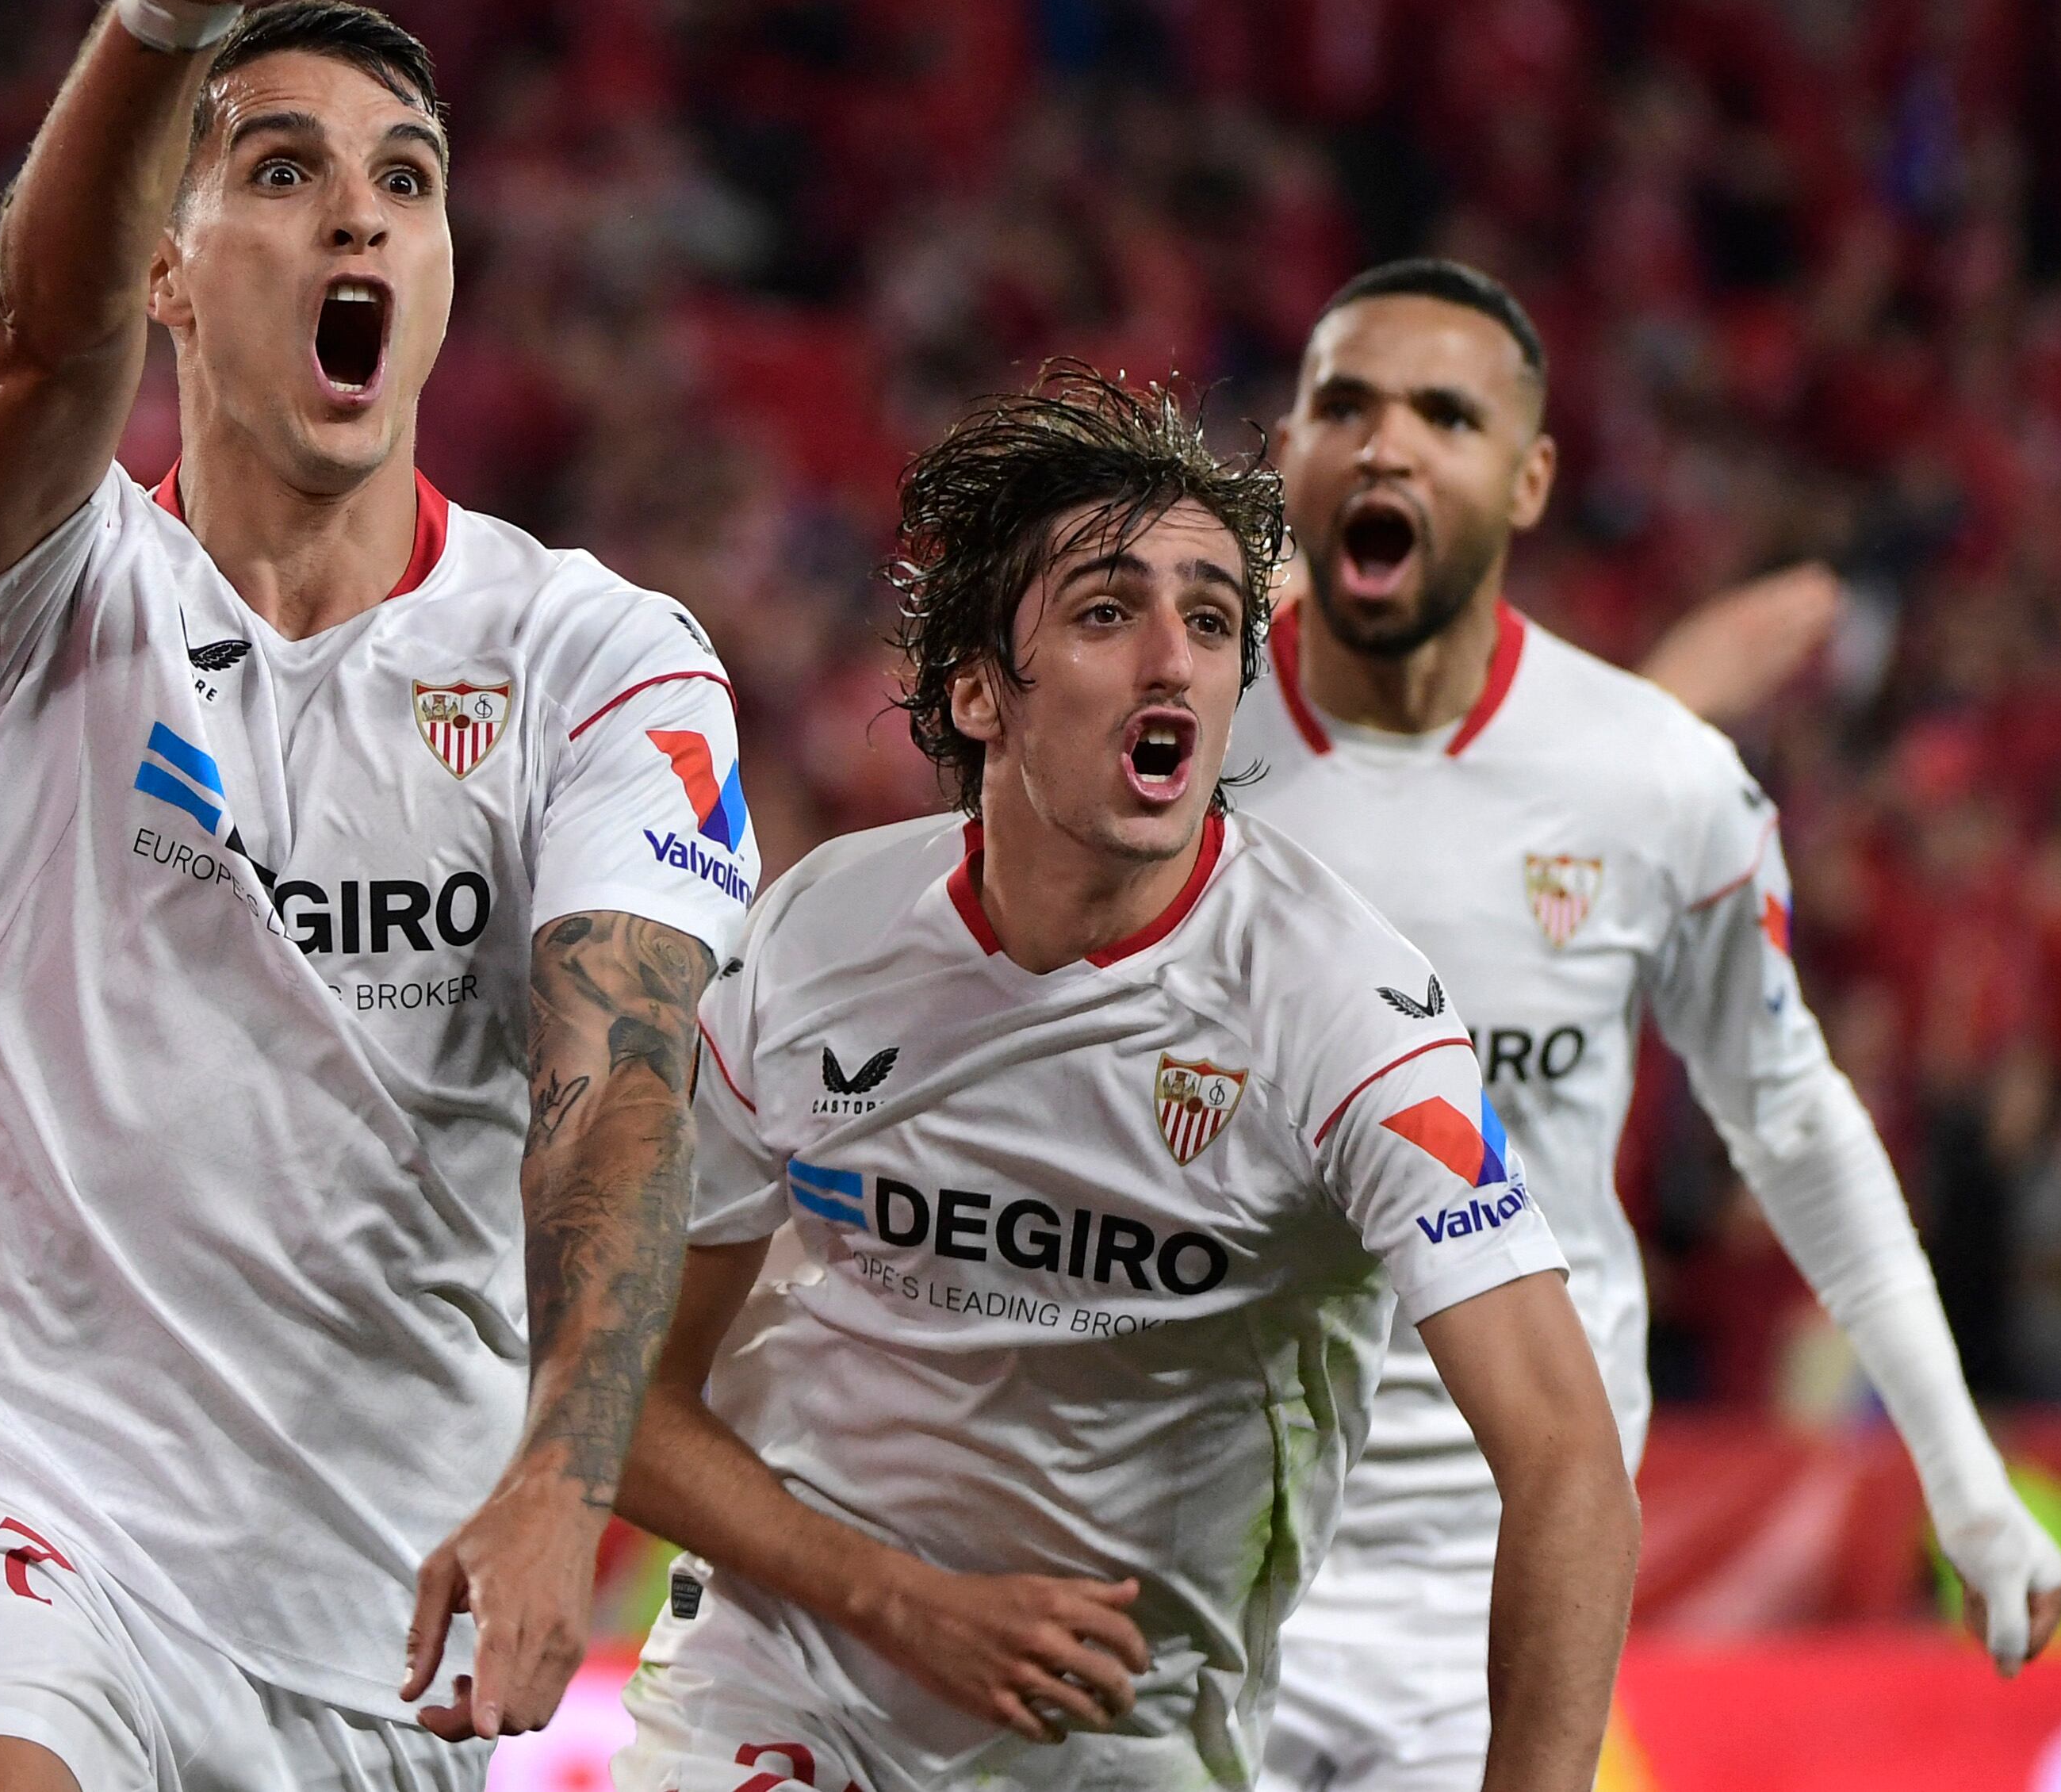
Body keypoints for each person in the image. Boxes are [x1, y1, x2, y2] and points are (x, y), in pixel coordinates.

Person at [0, 0, 758, 1792]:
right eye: (285, 170)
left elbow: (618, 1089)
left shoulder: (601, 661)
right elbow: (32, 348)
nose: (360, 216)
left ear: (432, 285)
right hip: (6, 1467)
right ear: (172, 262)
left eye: (404, 184)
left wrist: (563, 1476)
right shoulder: (47, 586)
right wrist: (161, 25)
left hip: (365, 1593)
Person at [611, 373, 1639, 1792]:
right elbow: (618, 1391)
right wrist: (904, 1604)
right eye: (1107, 610)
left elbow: (1569, 1466)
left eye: (1211, 620)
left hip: (1122, 1747)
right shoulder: (812, 940)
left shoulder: (1345, 1012)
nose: (1173, 660)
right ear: (978, 689)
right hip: (787, 1688)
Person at [1247, 259, 2061, 1792]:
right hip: (1191, 1546)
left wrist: (1963, 1482)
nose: (1388, 446)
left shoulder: (1654, 782)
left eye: (1445, 413)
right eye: (1344, 407)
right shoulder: (1158, 743)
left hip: (1497, 1576)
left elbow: (1797, 1124)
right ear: (1281, 450)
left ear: (1530, 475)